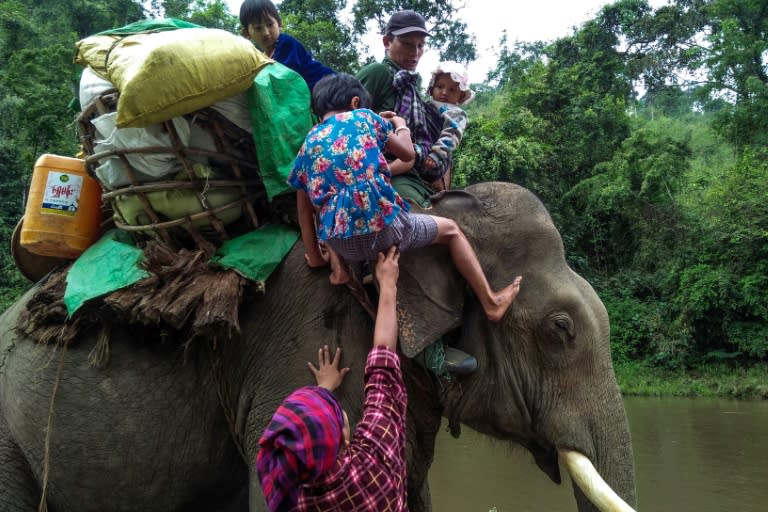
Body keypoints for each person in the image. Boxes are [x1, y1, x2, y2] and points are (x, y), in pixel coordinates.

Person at [288, 72, 522, 322]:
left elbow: (304, 210)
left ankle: (339, 269)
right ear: (356, 103)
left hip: (342, 243)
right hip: (386, 230)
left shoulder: (308, 143)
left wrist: (315, 257)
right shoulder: (363, 117)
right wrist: (400, 125)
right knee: (451, 230)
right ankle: (491, 302)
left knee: (325, 199)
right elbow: (408, 154)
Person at [256, 246, 408, 511]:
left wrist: (325, 388)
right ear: (344, 439)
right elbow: (383, 365)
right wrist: (388, 285)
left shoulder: (291, 499)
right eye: (335, 412)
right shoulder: (375, 460)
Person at [354, 10, 440, 206]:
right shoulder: (378, 73)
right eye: (407, 44)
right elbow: (345, 122)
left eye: (420, 45)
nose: (415, 52)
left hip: (413, 172)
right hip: (381, 171)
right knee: (422, 215)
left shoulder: (412, 87)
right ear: (387, 42)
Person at [389, 61, 475, 191]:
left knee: (409, 155)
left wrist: (436, 155)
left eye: (452, 90)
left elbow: (451, 136)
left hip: (435, 159)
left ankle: (385, 171)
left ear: (461, 95)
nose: (445, 92)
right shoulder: (425, 106)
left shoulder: (456, 113)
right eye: (440, 87)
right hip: (422, 147)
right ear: (431, 88)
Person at [240, 0, 334, 91]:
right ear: (247, 33)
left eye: (270, 24)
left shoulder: (286, 44)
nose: (266, 32)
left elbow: (283, 78)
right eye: (258, 28)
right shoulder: (263, 57)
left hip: (328, 82)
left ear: (279, 23)